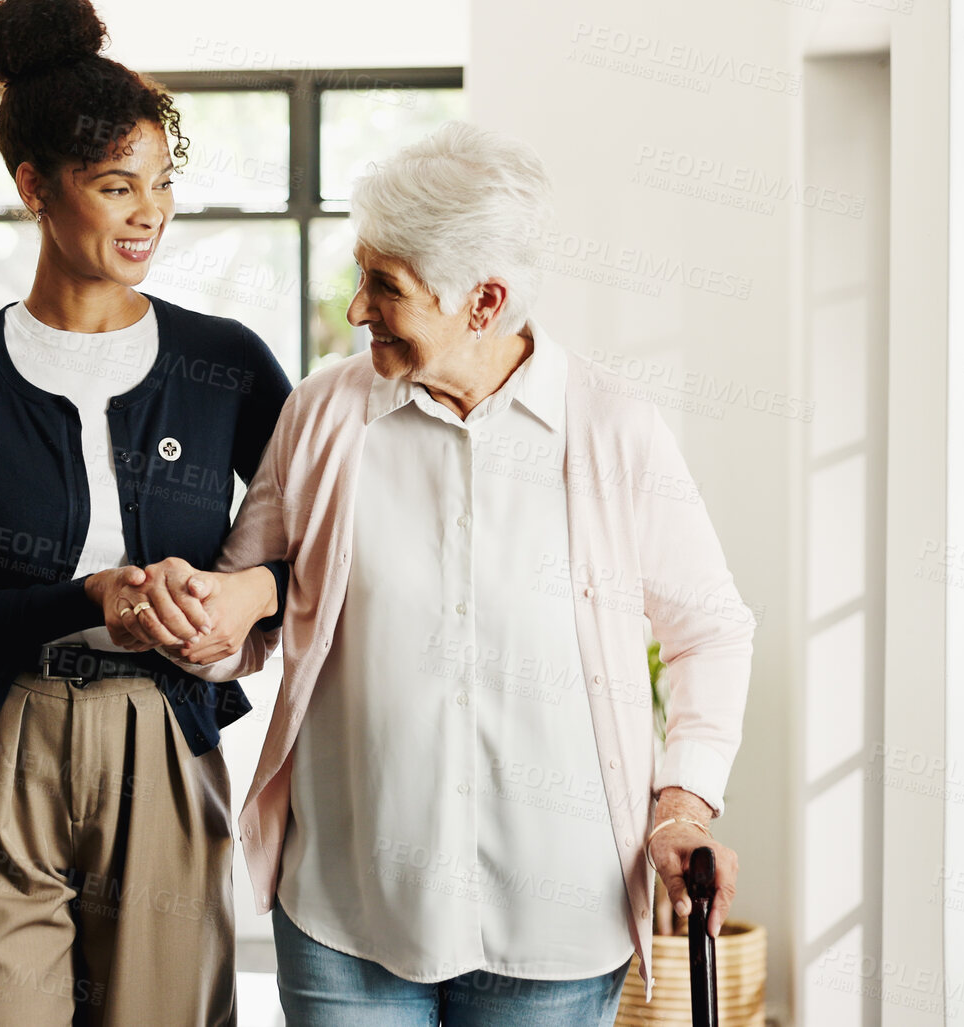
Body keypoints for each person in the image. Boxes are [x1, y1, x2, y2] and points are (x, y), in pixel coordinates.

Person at [166, 122, 756, 1025]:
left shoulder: (611, 431)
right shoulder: (324, 413)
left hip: (556, 923)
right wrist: (199, 619)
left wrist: (681, 803)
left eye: (384, 287)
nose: (357, 309)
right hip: (346, 916)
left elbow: (709, 626)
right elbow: (245, 617)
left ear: (484, 301)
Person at [0, 1, 292, 1023]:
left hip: (164, 731)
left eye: (160, 183)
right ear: (35, 188)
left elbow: (328, 542)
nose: (146, 213)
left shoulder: (227, 363)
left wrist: (244, 596)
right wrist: (88, 596)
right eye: (116, 185)